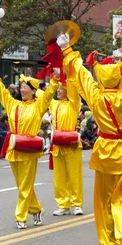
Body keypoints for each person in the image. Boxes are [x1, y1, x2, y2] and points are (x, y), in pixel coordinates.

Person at [61, 25, 122, 245]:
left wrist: (66, 49)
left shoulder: (96, 97)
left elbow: (80, 74)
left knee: (104, 201)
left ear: (101, 78)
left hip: (104, 151)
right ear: (120, 78)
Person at [0, 60, 60, 229]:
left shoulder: (38, 105)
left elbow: (48, 95)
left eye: (26, 87)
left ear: (33, 91)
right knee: (22, 185)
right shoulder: (13, 104)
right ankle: (37, 210)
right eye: (21, 87)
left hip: (30, 148)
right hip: (14, 147)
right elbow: (1, 91)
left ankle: (20, 216)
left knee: (25, 185)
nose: (22, 89)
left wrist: (55, 78)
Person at [50, 79, 84, 217]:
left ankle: (77, 204)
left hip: (72, 144)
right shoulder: (54, 104)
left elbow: (75, 90)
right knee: (59, 177)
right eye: (57, 89)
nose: (58, 91)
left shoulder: (74, 104)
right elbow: (43, 95)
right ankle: (63, 205)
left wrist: (67, 75)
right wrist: (54, 79)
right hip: (57, 145)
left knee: (74, 175)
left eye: (61, 88)